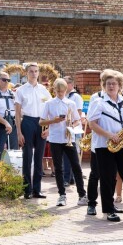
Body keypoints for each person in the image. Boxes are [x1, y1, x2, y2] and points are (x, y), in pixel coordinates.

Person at [87, 69, 123, 222]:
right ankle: (108, 210)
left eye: (114, 84)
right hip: (104, 145)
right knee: (107, 178)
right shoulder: (98, 102)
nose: (111, 86)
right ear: (104, 85)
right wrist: (109, 135)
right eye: (108, 84)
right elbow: (92, 124)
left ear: (120, 86)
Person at [40, 78, 87, 207]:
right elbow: (41, 121)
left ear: (66, 90)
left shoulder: (71, 103)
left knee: (76, 166)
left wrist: (72, 124)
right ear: (54, 90)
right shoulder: (49, 103)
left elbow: (78, 120)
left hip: (68, 138)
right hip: (55, 139)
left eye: (62, 91)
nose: (60, 93)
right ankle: (62, 195)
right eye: (58, 91)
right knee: (58, 168)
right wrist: (53, 121)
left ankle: (82, 194)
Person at [15, 63, 52, 199]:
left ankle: (37, 189)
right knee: (27, 156)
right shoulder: (21, 90)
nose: (34, 73)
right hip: (28, 122)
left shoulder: (44, 90)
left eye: (36, 71)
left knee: (39, 157)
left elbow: (50, 111)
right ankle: (27, 189)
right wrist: (19, 132)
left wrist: (47, 128)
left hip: (41, 122)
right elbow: (17, 113)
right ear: (26, 73)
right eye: (31, 71)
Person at [62, 76, 84, 187]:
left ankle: (68, 177)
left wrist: (71, 125)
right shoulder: (64, 96)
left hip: (74, 130)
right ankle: (69, 178)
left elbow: (78, 114)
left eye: (65, 84)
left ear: (71, 84)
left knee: (72, 155)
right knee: (66, 155)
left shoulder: (76, 97)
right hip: (65, 129)